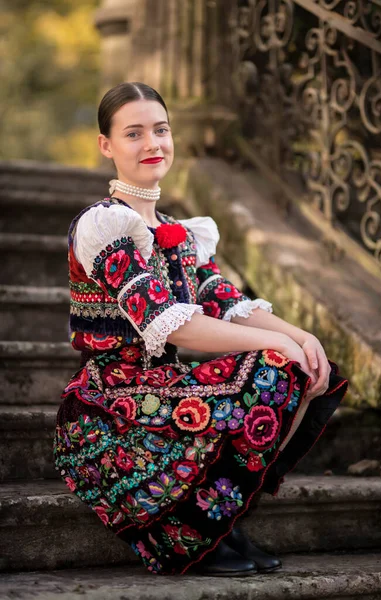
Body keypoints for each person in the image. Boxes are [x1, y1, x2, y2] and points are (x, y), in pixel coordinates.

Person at [53, 81, 349, 577]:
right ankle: (185, 534)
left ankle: (221, 521)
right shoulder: (102, 225)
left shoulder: (183, 234)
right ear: (107, 146)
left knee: (303, 364)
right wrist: (277, 344)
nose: (152, 144)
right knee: (273, 363)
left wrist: (300, 336)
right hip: (109, 407)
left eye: (161, 130)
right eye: (133, 133)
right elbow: (173, 326)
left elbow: (228, 304)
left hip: (162, 388)